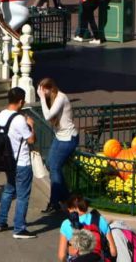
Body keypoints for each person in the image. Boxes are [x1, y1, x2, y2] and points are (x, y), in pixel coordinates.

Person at [0, 86, 35, 238]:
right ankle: (19, 228)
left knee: (9, 190)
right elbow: (31, 140)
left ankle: (1, 221)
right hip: (22, 162)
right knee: (22, 196)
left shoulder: (0, 115)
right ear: (21, 101)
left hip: (7, 161)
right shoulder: (19, 120)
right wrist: (31, 125)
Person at [38, 78, 77, 213]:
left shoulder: (61, 97)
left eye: (44, 91)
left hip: (68, 138)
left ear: (51, 88)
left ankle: (54, 202)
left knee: (55, 167)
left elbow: (48, 116)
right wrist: (44, 98)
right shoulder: (52, 98)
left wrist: (42, 99)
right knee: (49, 164)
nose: (43, 94)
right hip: (60, 137)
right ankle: (67, 197)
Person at [56, 195, 115, 261]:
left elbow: (61, 256)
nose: (68, 211)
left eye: (68, 208)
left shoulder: (66, 223)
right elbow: (113, 252)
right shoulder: (100, 219)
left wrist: (68, 249)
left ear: (73, 208)